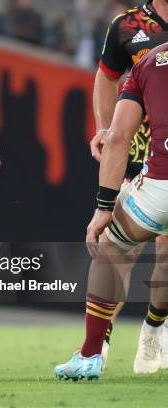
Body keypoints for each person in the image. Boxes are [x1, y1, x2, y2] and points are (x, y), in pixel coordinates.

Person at [55, 41, 168, 381]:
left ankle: (90, 354)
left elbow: (118, 138)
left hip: (161, 187)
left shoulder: (148, 61)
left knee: (113, 244)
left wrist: (104, 208)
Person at [88, 0, 168, 373]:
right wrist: (106, 128)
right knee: (118, 249)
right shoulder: (127, 25)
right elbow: (106, 77)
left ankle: (154, 325)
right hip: (136, 148)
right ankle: (99, 340)